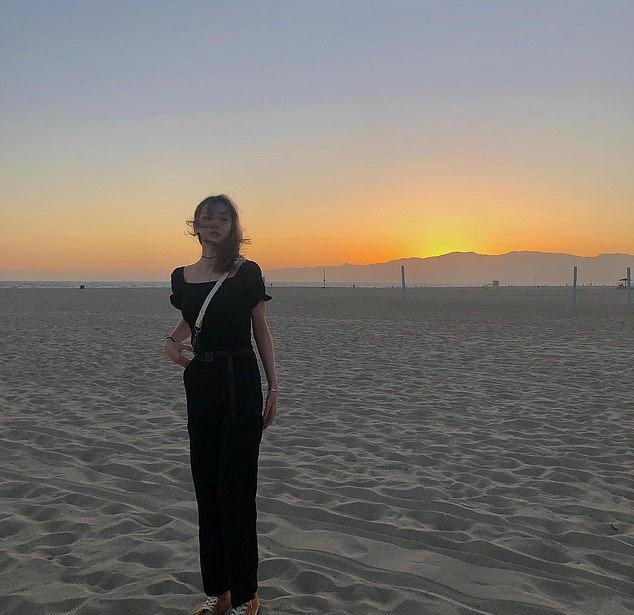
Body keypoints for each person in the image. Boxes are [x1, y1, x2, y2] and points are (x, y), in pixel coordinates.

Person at [164, 195, 277, 615]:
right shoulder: (182, 277)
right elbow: (191, 320)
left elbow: (261, 330)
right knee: (207, 489)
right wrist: (171, 342)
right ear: (194, 225)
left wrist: (273, 385)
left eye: (222, 218)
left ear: (233, 226)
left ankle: (246, 594)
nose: (213, 224)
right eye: (206, 218)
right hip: (201, 382)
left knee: (236, 490)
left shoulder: (246, 272)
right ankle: (218, 591)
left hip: (240, 379)